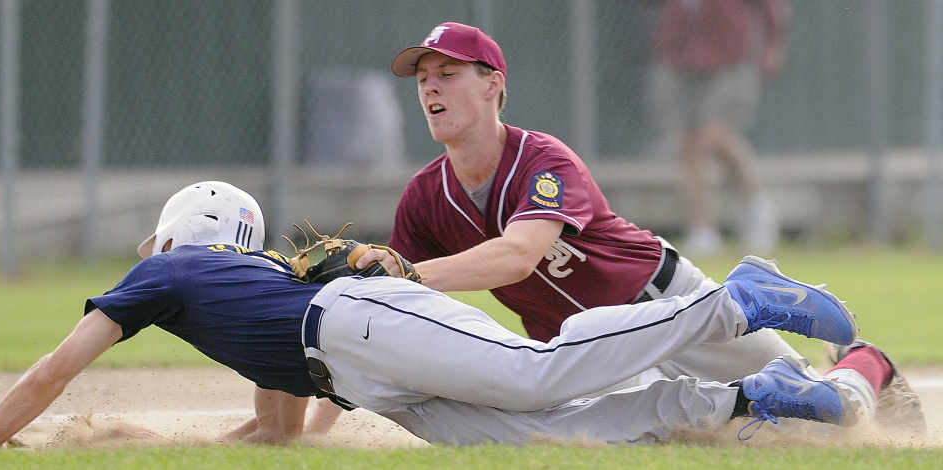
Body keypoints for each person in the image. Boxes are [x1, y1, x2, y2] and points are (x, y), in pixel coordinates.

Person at [0, 181, 874, 448]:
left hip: (358, 323)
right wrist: (129, 438)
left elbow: (52, 368)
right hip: (362, 375)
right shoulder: (231, 289)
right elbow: (277, 433)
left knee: (534, 376)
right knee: (542, 438)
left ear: (169, 239)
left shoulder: (172, 273)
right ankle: (754, 399)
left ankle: (732, 298)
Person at [344, 21, 926, 436]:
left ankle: (867, 362)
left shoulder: (543, 159)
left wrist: (411, 270)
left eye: (447, 73)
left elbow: (519, 256)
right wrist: (328, 388)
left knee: (818, 421)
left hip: (674, 307)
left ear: (493, 82)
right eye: (422, 79)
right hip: (594, 350)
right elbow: (391, 308)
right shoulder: (424, 196)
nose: (430, 89)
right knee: (675, 434)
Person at [648, 0, 789, 256]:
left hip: (730, 56)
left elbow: (771, 10)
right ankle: (702, 230)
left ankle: (756, 207)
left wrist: (772, 47)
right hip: (680, 57)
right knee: (688, 145)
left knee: (714, 138)